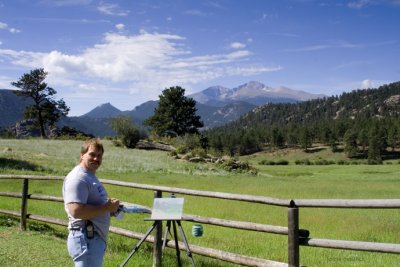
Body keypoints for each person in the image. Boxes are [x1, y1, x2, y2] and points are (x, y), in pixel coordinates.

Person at [63, 138, 120, 267]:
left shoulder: (89, 175)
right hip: (86, 238)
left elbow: (93, 206)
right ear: (82, 155)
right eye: (92, 154)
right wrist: (106, 208)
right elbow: (76, 211)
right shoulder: (78, 178)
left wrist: (109, 210)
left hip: (92, 239)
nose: (96, 159)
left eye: (99, 156)